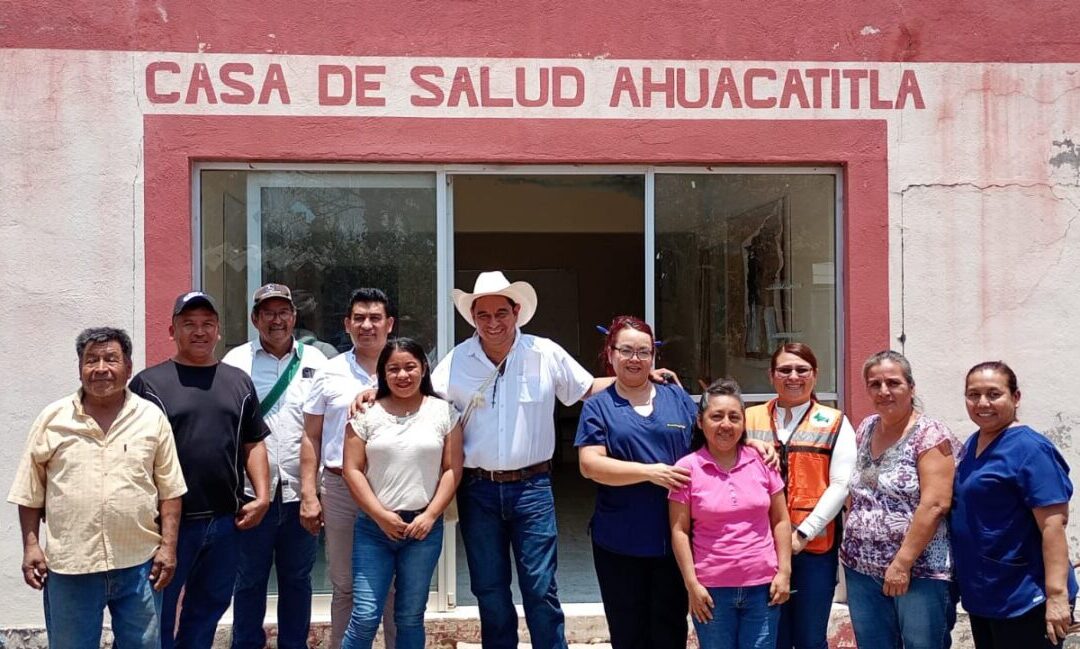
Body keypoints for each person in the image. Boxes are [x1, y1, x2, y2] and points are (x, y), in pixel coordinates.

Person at [431, 271, 668, 649]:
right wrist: (371, 396)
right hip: (478, 490)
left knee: (541, 589)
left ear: (516, 311)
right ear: (473, 318)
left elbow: (587, 389)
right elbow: (424, 402)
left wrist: (639, 377)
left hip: (532, 490)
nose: (493, 323)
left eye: (501, 313)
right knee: (489, 591)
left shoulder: (544, 352)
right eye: (484, 315)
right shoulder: (457, 360)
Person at [7, 327, 188, 649]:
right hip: (71, 566)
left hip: (139, 564)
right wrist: (32, 546)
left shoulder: (151, 418)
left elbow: (170, 490)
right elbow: (29, 490)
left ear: (128, 368)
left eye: (111, 359)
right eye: (91, 360)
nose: (101, 368)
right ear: (80, 368)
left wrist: (168, 548)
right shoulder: (53, 418)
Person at [129, 291, 272, 649]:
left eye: (207, 324)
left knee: (206, 612)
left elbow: (253, 443)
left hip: (225, 522)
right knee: (154, 617)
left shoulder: (238, 382)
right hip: (166, 526)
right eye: (188, 324)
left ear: (219, 331)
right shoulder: (148, 385)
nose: (199, 331)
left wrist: (264, 495)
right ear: (171, 330)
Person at [574, 315, 696, 649]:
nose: (635, 359)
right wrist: (650, 472)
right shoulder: (599, 407)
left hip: (674, 537)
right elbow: (590, 464)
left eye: (644, 351)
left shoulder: (677, 399)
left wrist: (753, 443)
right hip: (619, 540)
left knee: (671, 628)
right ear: (610, 354)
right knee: (629, 632)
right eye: (626, 350)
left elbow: (711, 443)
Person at [222, 283, 329, 649]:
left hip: (302, 495)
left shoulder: (317, 363)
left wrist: (316, 492)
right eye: (268, 313)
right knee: (248, 581)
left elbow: (325, 427)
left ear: (294, 317)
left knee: (298, 581)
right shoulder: (235, 363)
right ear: (255, 319)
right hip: (254, 497)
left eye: (283, 312)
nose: (277, 320)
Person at [340, 338, 464, 649]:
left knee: (410, 615)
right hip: (374, 529)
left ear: (423, 368)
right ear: (382, 373)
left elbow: (452, 469)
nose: (402, 375)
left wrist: (430, 515)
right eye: (393, 369)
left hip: (423, 529)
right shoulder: (365, 413)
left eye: (410, 367)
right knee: (366, 615)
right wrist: (380, 515)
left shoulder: (444, 412)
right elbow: (352, 470)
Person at [951, 361, 1078, 648]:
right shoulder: (974, 443)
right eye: (973, 395)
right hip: (986, 593)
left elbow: (1053, 525)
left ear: (1015, 397)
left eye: (994, 394)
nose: (982, 403)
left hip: (1024, 596)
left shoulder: (1030, 449)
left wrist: (1057, 597)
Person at [840, 350, 961, 649]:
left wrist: (901, 564)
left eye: (893, 383)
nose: (884, 391)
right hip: (861, 567)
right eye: (875, 384)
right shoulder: (866, 427)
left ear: (911, 387)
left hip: (917, 572)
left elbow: (936, 504)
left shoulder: (931, 434)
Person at [300, 288, 397, 649]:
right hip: (340, 489)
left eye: (375, 318)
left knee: (393, 585)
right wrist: (309, 495)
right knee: (344, 585)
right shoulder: (328, 372)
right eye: (359, 318)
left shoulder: (405, 369)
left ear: (389, 324)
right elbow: (311, 436)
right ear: (347, 324)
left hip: (391, 490)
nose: (367, 325)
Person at [744, 343, 856, 649]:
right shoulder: (747, 418)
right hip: (759, 546)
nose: (793, 376)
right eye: (784, 370)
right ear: (771, 376)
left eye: (802, 370)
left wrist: (804, 533)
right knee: (768, 635)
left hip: (814, 547)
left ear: (815, 375)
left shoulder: (835, 421)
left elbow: (840, 485)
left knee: (809, 637)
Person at [669, 379, 792, 649]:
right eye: (716, 416)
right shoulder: (686, 469)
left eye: (734, 417)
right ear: (701, 422)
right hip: (711, 592)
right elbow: (679, 531)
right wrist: (692, 585)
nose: (726, 424)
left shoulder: (763, 461)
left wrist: (784, 572)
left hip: (763, 589)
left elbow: (781, 520)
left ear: (743, 423)